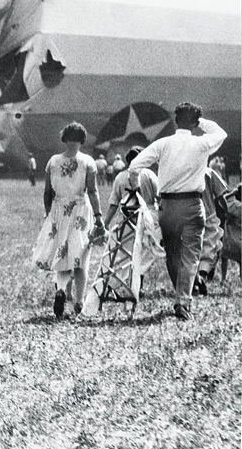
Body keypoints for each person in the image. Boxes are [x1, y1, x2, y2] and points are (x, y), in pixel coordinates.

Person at [128, 102, 226, 320]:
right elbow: (221, 133)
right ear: (195, 122)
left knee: (172, 254)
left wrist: (135, 187)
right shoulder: (202, 143)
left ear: (175, 120)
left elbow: (134, 165)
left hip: (168, 205)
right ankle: (183, 300)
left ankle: (181, 295)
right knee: (191, 255)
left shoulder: (163, 144)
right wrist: (202, 123)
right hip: (192, 204)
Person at [31, 122, 103, 318]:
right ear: (82, 139)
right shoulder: (88, 161)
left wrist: (49, 215)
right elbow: (93, 191)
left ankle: (61, 289)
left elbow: (47, 192)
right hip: (80, 211)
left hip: (59, 210)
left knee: (62, 256)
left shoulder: (53, 161)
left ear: (65, 138)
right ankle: (79, 301)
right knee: (81, 257)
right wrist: (98, 217)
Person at [81, 146, 162, 316]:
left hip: (127, 218)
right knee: (142, 253)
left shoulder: (120, 177)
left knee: (127, 254)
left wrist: (105, 224)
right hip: (148, 219)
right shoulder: (149, 174)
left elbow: (113, 204)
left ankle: (131, 284)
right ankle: (135, 285)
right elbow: (159, 199)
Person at [195, 166, 228, 294]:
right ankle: (202, 276)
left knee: (192, 248)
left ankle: (193, 280)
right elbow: (220, 196)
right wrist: (226, 211)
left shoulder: (186, 170)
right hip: (208, 213)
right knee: (209, 248)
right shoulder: (208, 172)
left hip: (190, 214)